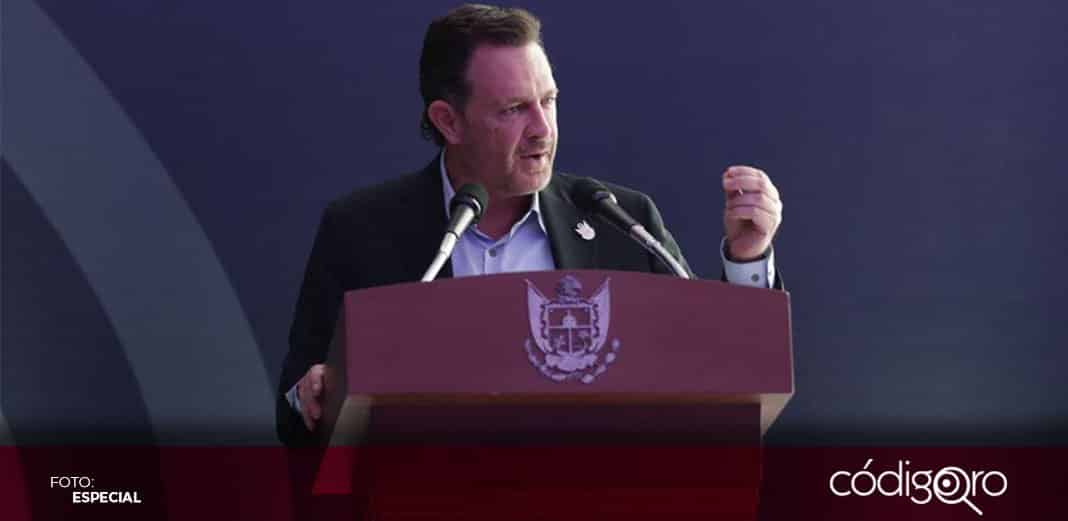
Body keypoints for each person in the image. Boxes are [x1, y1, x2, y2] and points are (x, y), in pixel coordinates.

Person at [277, 4, 784, 446]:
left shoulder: (620, 221)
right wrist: (315, 395)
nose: (543, 129)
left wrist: (747, 257)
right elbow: (295, 411)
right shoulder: (362, 229)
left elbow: (715, 372)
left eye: (549, 100)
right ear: (448, 121)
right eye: (514, 109)